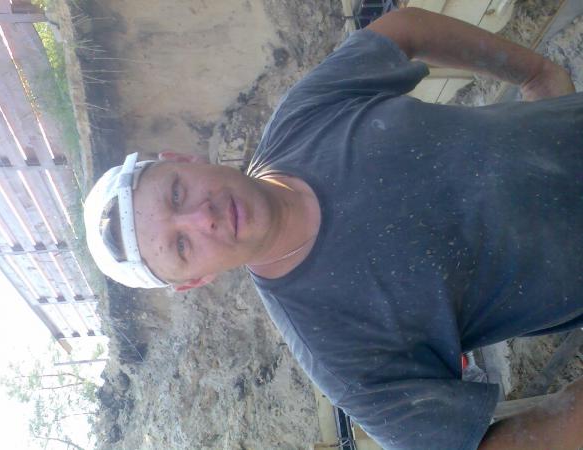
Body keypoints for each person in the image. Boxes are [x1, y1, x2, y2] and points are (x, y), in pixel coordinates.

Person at [84, 7, 583, 450]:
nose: (203, 218)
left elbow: (403, 30)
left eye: (177, 194)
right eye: (182, 245)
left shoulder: (304, 119)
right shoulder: (340, 354)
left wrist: (536, 72)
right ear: (196, 280)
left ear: (183, 159)